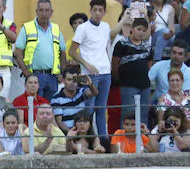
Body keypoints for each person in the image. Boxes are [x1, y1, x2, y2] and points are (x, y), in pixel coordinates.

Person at [70, 0, 114, 139]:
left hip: (105, 72)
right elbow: (72, 51)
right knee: (89, 109)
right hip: (90, 74)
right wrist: (86, 64)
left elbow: (105, 47)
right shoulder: (82, 28)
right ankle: (88, 139)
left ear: (105, 12)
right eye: (95, 10)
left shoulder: (106, 26)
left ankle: (103, 140)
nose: (97, 13)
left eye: (100, 10)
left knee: (101, 109)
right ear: (90, 10)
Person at [14, 0, 66, 101]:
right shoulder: (27, 27)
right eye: (41, 10)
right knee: (35, 108)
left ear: (51, 12)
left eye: (47, 10)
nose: (44, 13)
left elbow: (63, 53)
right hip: (34, 75)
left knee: (50, 109)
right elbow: (18, 52)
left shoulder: (56, 29)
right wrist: (26, 72)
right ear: (36, 11)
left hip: (52, 77)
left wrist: (61, 74)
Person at [112, 18, 153, 127]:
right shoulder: (121, 44)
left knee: (143, 114)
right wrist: (120, 78)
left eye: (144, 30)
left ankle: (143, 141)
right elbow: (115, 64)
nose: (141, 32)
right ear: (132, 29)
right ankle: (124, 141)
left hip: (145, 85)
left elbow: (149, 64)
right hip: (127, 85)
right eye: (139, 29)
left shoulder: (148, 46)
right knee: (128, 115)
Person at [50, 63, 97, 133]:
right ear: (63, 80)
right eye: (69, 79)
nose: (72, 82)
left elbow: (94, 93)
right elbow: (59, 122)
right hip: (68, 133)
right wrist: (72, 133)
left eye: (74, 80)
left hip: (83, 132)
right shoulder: (56, 99)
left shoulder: (81, 91)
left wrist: (90, 85)